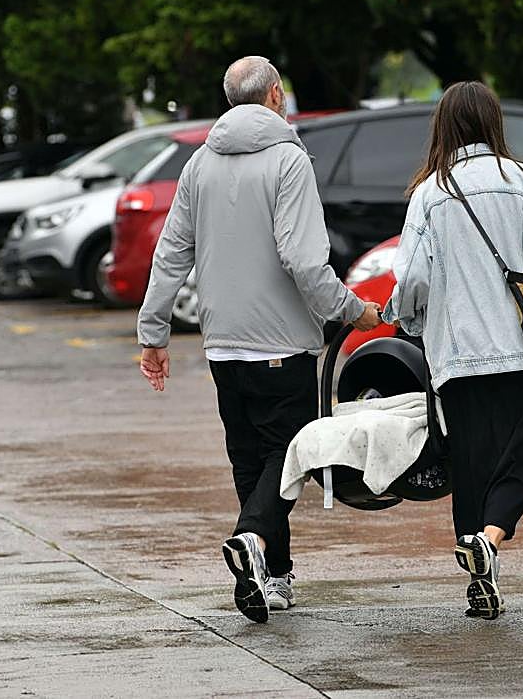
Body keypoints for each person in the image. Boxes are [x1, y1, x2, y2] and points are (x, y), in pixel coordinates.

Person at [135, 56, 381, 624]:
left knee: (252, 460)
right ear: (275, 95)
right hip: (281, 344)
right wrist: (350, 310)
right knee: (287, 457)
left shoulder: (199, 163)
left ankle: (272, 574)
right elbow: (303, 258)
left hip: (223, 345)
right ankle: (253, 539)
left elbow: (171, 250)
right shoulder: (289, 161)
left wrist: (154, 333)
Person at [382, 81, 523, 620]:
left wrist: (408, 319)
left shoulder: (429, 194)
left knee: (472, 466)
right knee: (520, 463)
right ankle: (491, 541)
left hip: (457, 356)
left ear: (444, 127)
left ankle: (479, 575)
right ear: (492, 123)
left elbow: (412, 276)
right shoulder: (522, 180)